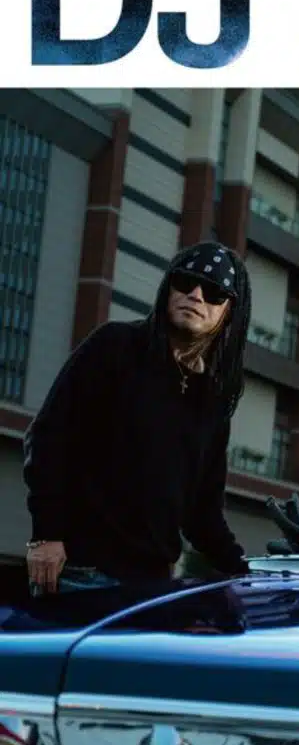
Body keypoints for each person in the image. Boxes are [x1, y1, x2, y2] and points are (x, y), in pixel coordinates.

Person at [22, 240, 253, 598]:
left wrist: (244, 570)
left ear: (229, 311)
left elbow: (203, 512)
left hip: (153, 586)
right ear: (168, 288)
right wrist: (46, 535)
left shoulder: (211, 398)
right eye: (185, 282)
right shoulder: (115, 346)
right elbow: (49, 438)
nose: (195, 295)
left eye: (213, 292)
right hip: (81, 572)